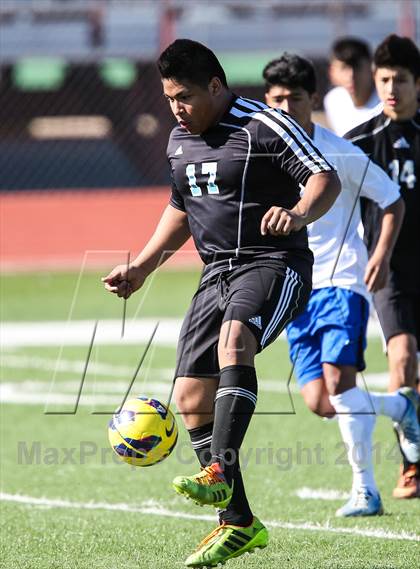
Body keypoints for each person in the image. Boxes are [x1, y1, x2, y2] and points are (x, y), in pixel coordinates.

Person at [103, 39, 340, 567]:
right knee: (189, 396)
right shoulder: (178, 140)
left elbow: (325, 178)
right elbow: (181, 207)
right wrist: (141, 266)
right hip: (216, 273)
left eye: (184, 96)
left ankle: (218, 473)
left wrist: (299, 212)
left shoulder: (263, 124)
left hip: (273, 263)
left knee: (237, 341)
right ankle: (239, 522)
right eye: (168, 99)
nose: (176, 109)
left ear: (216, 85)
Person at [263, 52, 420, 516]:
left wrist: (380, 254)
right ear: (266, 102)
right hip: (297, 289)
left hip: (342, 278)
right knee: (321, 401)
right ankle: (401, 408)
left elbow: (391, 199)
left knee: (339, 380)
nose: (287, 107)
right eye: (277, 99)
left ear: (314, 99)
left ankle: (365, 491)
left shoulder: (341, 154)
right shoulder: (260, 153)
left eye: (295, 97)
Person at [346, 34, 420, 499]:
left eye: (402, 80)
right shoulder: (358, 143)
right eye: (385, 79)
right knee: (403, 356)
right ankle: (411, 466)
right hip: (388, 270)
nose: (392, 88)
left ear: (419, 83)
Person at [324, 37, 381, 136]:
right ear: (332, 72)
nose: (351, 75)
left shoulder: (387, 102)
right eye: (344, 67)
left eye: (357, 66)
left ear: (371, 67)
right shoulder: (332, 101)